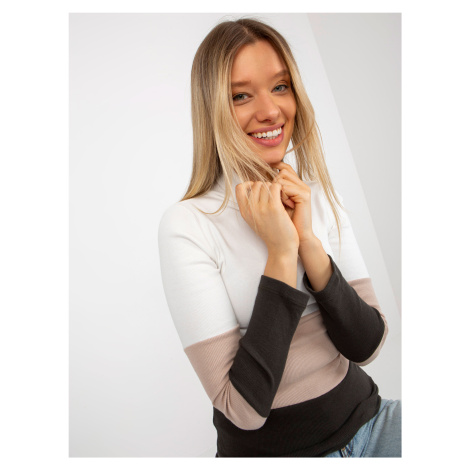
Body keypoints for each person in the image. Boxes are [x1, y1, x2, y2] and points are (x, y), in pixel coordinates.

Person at [158, 18, 401, 457]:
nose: (270, 111)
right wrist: (282, 252)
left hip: (372, 422)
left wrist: (307, 239)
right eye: (241, 95)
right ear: (211, 109)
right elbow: (242, 408)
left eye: (280, 86)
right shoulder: (188, 225)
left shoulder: (315, 196)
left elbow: (368, 344)